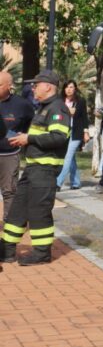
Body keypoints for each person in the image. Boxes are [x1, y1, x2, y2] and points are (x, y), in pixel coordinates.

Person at [1, 70, 71, 266]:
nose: (33, 88)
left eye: (36, 84)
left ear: (47, 86)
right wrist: (24, 140)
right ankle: (6, 250)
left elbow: (58, 137)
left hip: (45, 170)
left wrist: (28, 138)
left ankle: (41, 253)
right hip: (33, 168)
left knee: (38, 212)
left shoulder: (57, 109)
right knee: (17, 210)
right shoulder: (43, 108)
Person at [0, 70, 35, 222]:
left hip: (9, 155)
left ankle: (9, 224)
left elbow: (33, 126)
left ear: (9, 86)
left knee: (9, 191)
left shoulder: (22, 105)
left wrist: (26, 138)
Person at [55, 80, 90, 191]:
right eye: (67, 87)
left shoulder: (80, 101)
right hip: (63, 132)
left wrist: (86, 132)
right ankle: (76, 182)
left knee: (67, 157)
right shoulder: (59, 101)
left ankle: (57, 183)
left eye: (71, 87)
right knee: (71, 159)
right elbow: (55, 116)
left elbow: (84, 117)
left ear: (75, 89)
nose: (69, 89)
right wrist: (66, 111)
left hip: (76, 133)